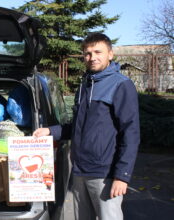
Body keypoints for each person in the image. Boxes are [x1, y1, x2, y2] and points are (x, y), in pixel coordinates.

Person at [33, 33, 140, 220]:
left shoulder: (121, 85)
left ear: (110, 54)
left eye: (98, 52)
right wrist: (51, 131)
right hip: (80, 170)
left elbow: (131, 133)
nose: (92, 58)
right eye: (87, 53)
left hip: (104, 173)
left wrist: (122, 176)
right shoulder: (85, 86)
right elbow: (78, 126)